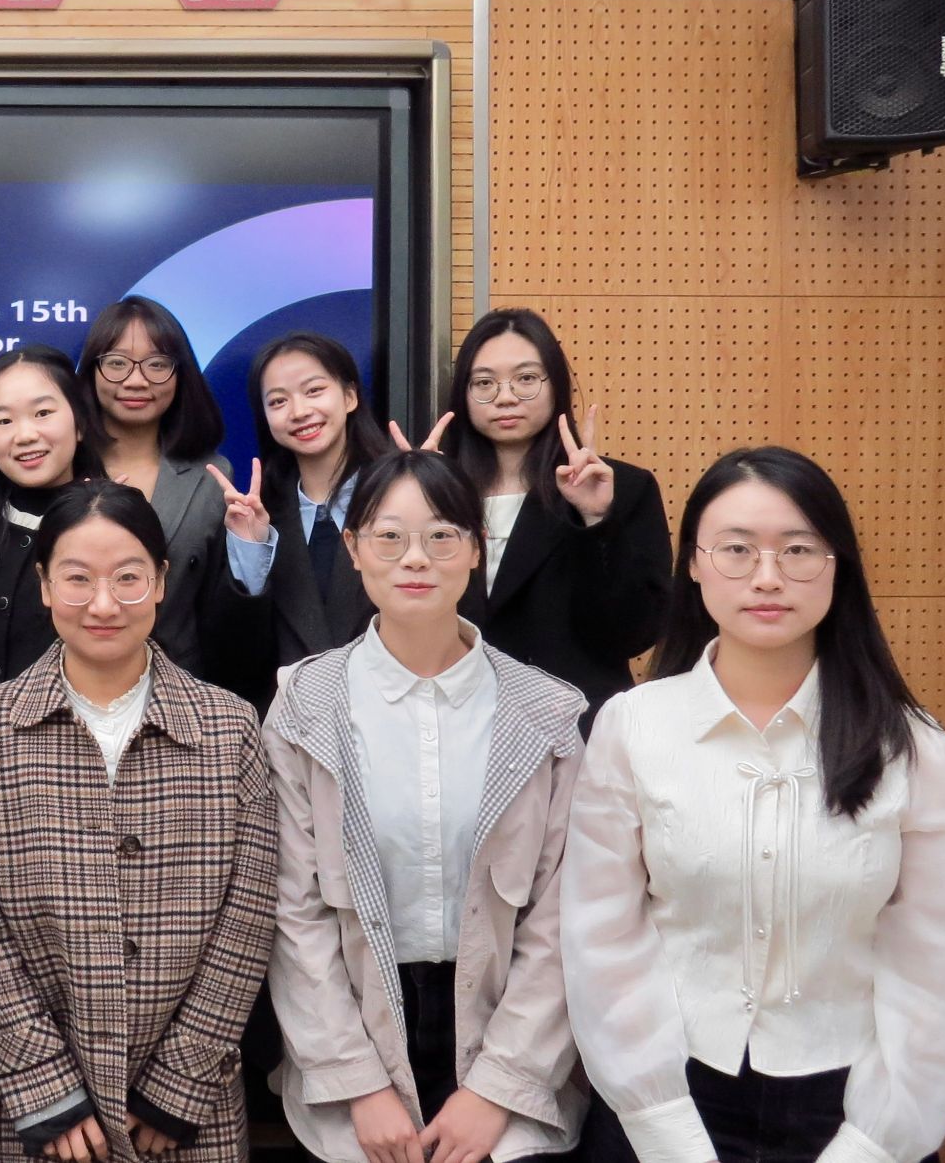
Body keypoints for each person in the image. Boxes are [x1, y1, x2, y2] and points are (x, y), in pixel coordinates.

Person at [563, 446, 945, 1163]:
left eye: (798, 550)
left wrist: (873, 1144)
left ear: (838, 564)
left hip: (854, 1108)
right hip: (666, 1096)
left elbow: (936, 966)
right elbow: (601, 940)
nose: (767, 577)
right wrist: (664, 1128)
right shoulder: (633, 726)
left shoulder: (912, 747)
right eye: (736, 549)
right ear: (693, 564)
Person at [264, 449, 589, 1163]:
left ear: (475, 548)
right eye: (389, 536)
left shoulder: (545, 713)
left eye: (442, 535)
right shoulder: (304, 707)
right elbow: (295, 914)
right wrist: (359, 1085)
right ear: (353, 548)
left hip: (507, 1029)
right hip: (355, 1034)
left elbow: (561, 917)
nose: (416, 558)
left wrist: (496, 1089)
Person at [0, 479, 277, 1162]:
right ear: (43, 585)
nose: (103, 604)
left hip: (189, 1118)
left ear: (161, 581)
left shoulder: (229, 728)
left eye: (128, 577)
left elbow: (249, 915)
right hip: (36, 1121)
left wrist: (182, 1083)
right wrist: (42, 1086)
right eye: (77, 579)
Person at [438, 308, 670, 725]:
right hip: (454, 723)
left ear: (556, 385)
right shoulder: (441, 492)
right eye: (485, 383)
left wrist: (596, 521)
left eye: (526, 379)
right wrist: (415, 502)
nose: (505, 397)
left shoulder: (622, 487)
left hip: (573, 727)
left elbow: (635, 633)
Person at [209, 332, 392, 712]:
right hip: (289, 730)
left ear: (350, 396)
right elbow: (236, 660)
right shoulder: (258, 516)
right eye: (278, 401)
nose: (298, 411)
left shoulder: (398, 496)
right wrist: (251, 550)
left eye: (314, 391)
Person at [0, 345, 108, 732]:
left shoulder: (111, 527)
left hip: (67, 752)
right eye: (3, 420)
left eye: (43, 413)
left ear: (80, 423)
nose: (25, 435)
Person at [74, 295, 231, 682]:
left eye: (157, 364)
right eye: (117, 363)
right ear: (92, 371)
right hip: (71, 684)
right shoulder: (62, 467)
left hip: (179, 688)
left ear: (180, 374)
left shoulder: (212, 475)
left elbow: (221, 614)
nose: (136, 380)